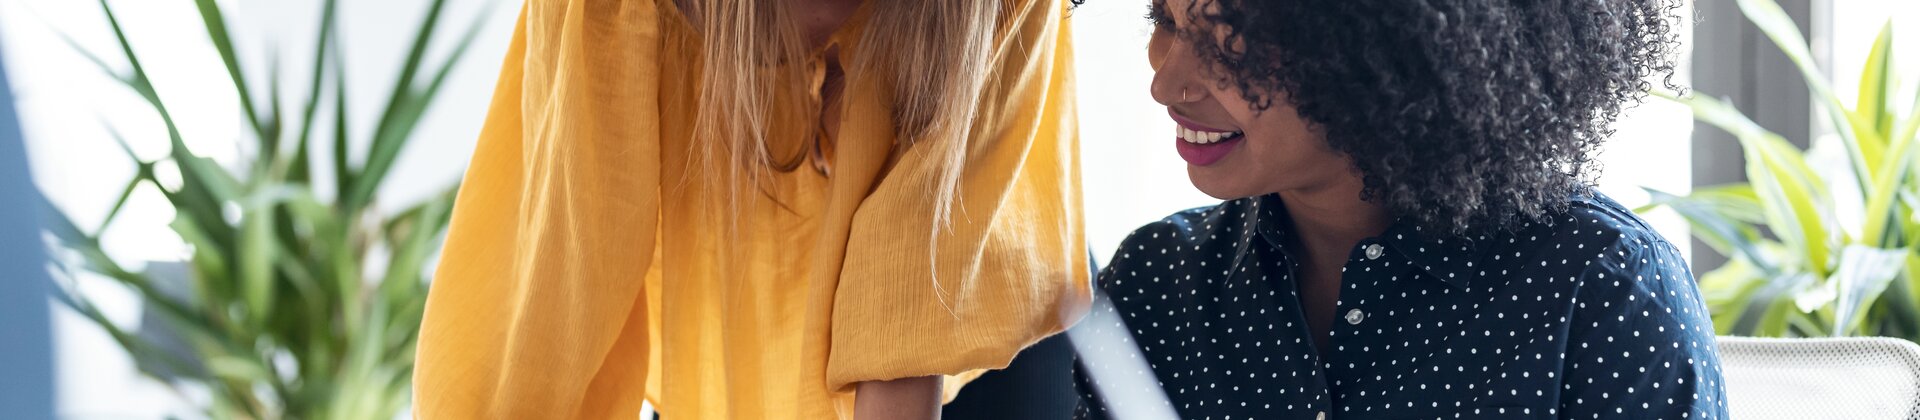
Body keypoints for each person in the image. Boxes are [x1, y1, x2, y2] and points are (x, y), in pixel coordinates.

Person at [412, 0, 1090, 418]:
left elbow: (907, 331)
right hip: (714, 345)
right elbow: (547, 324)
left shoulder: (987, 9)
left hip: (969, 337)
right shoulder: (607, 12)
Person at [1071, 0, 1728, 418]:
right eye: (1164, 19)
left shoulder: (1600, 289)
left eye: (1229, 37)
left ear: (1382, 42)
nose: (1166, 82)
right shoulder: (1157, 284)